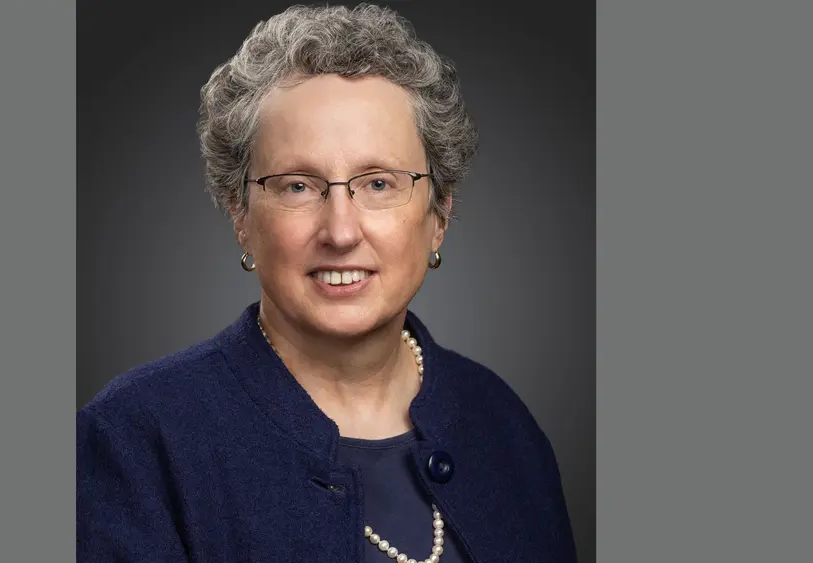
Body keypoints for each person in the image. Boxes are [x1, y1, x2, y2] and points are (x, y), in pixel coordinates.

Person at [77, 4, 577, 562]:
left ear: (438, 215)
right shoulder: (135, 440)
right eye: (297, 186)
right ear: (240, 213)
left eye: (380, 182)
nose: (340, 230)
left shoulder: (503, 423)